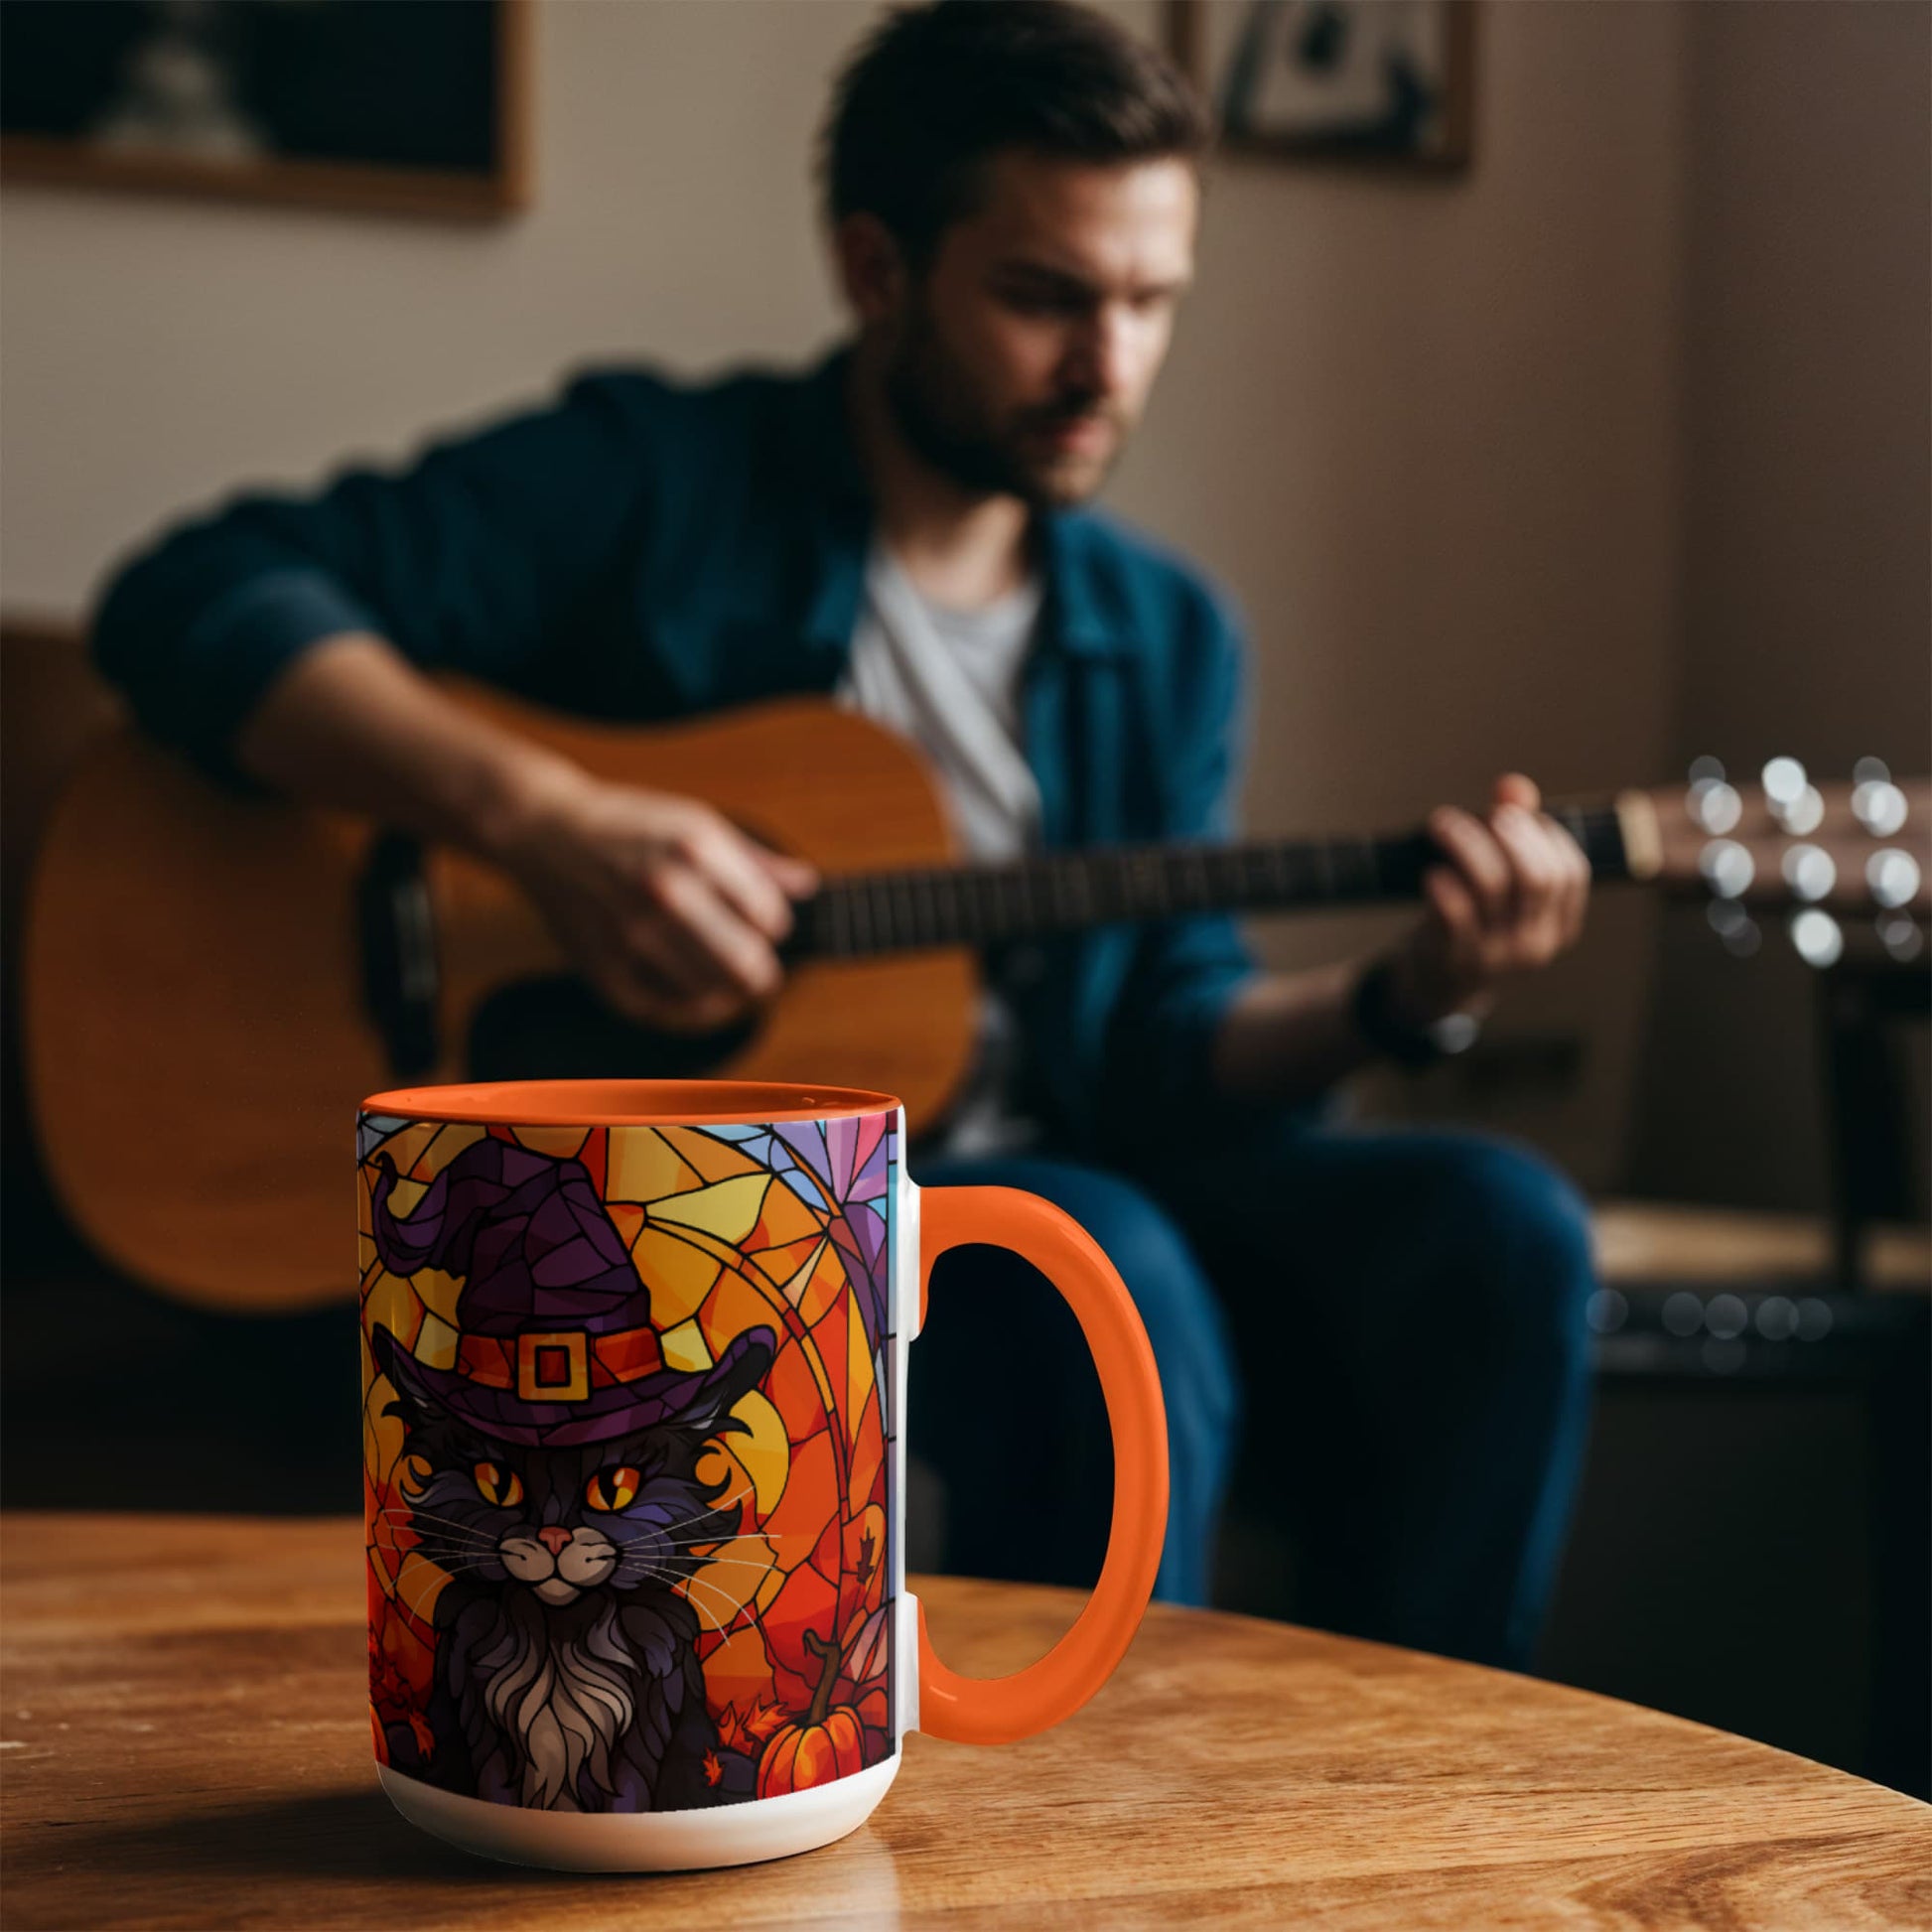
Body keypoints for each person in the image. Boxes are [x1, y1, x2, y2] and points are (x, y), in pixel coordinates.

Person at [92, 0, 1595, 1670]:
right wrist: (550, 819)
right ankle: (1072, 1822)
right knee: (1104, 1250)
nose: (1110, 366)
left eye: (1151, 302)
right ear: (877, 269)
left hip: (1078, 1169)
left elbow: (1173, 1031)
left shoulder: (1168, 633)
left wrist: (1405, 992)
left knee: (1502, 1225)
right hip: (733, 1203)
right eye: (1045, 297)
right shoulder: (657, 483)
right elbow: (195, 590)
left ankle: (1438, 1774)